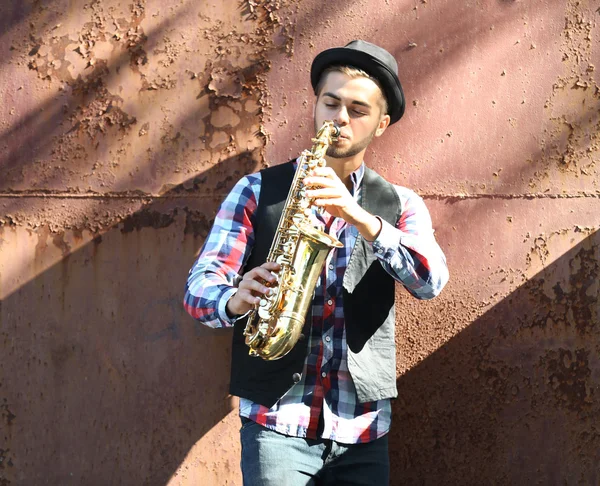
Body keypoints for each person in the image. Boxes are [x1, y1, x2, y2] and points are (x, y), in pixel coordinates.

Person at [184, 40, 449, 486]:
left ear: (381, 124)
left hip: (363, 430)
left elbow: (432, 281)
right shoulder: (255, 191)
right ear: (316, 106)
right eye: (331, 103)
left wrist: (364, 221)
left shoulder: (400, 205)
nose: (340, 118)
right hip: (276, 425)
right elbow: (199, 289)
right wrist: (233, 298)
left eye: (358, 110)